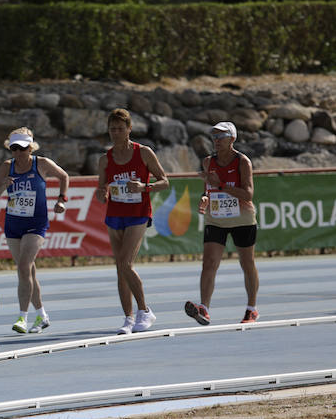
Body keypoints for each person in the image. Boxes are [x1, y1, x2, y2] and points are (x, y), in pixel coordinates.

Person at [95, 109, 169, 335]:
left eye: (120, 128)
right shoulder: (105, 159)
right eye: (112, 129)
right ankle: (128, 318)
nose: (116, 133)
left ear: (129, 129)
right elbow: (101, 186)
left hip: (138, 213)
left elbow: (165, 181)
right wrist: (101, 193)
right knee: (120, 269)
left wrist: (144, 187)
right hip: (114, 214)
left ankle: (145, 311)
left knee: (126, 263)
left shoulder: (143, 153)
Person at [0, 128, 70, 334]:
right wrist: (3, 186)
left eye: (22, 148)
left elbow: (64, 176)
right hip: (13, 225)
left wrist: (62, 200)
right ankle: (42, 315)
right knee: (28, 271)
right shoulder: (7, 167)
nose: (18, 153)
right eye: (14, 148)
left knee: (24, 266)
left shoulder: (41, 164)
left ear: (30, 148)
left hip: (36, 223)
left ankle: (22, 317)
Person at [185, 121, 259, 325]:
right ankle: (204, 308)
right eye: (214, 137)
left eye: (221, 137)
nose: (216, 141)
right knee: (208, 263)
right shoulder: (208, 162)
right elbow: (208, 189)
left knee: (247, 263)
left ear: (232, 139)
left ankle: (251, 309)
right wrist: (204, 198)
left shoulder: (242, 162)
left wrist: (222, 185)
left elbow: (248, 193)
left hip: (242, 218)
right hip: (216, 218)